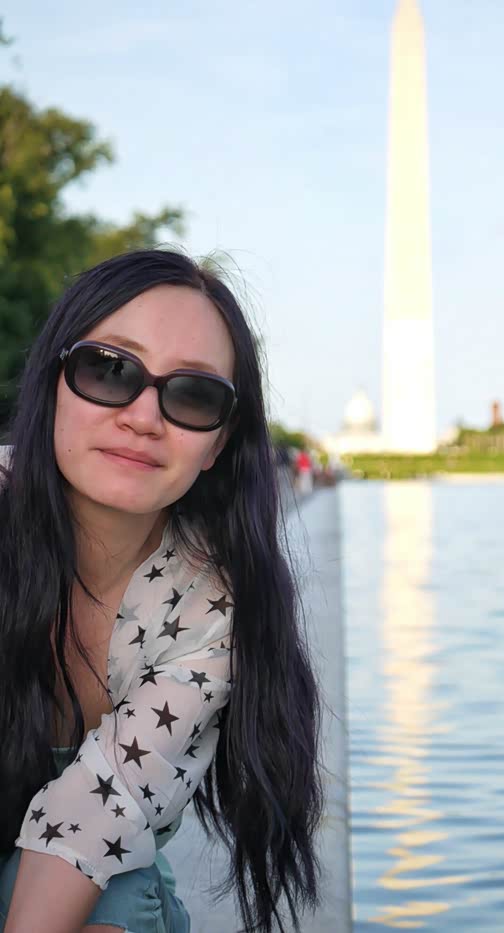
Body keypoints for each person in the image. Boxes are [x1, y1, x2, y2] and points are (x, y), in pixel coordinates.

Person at [0, 249, 323, 932]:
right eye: (108, 369)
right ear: (53, 381)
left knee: (115, 901)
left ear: (218, 443)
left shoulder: (211, 606)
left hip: (93, 879)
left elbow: (89, 819)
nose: (144, 416)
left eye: (193, 395)